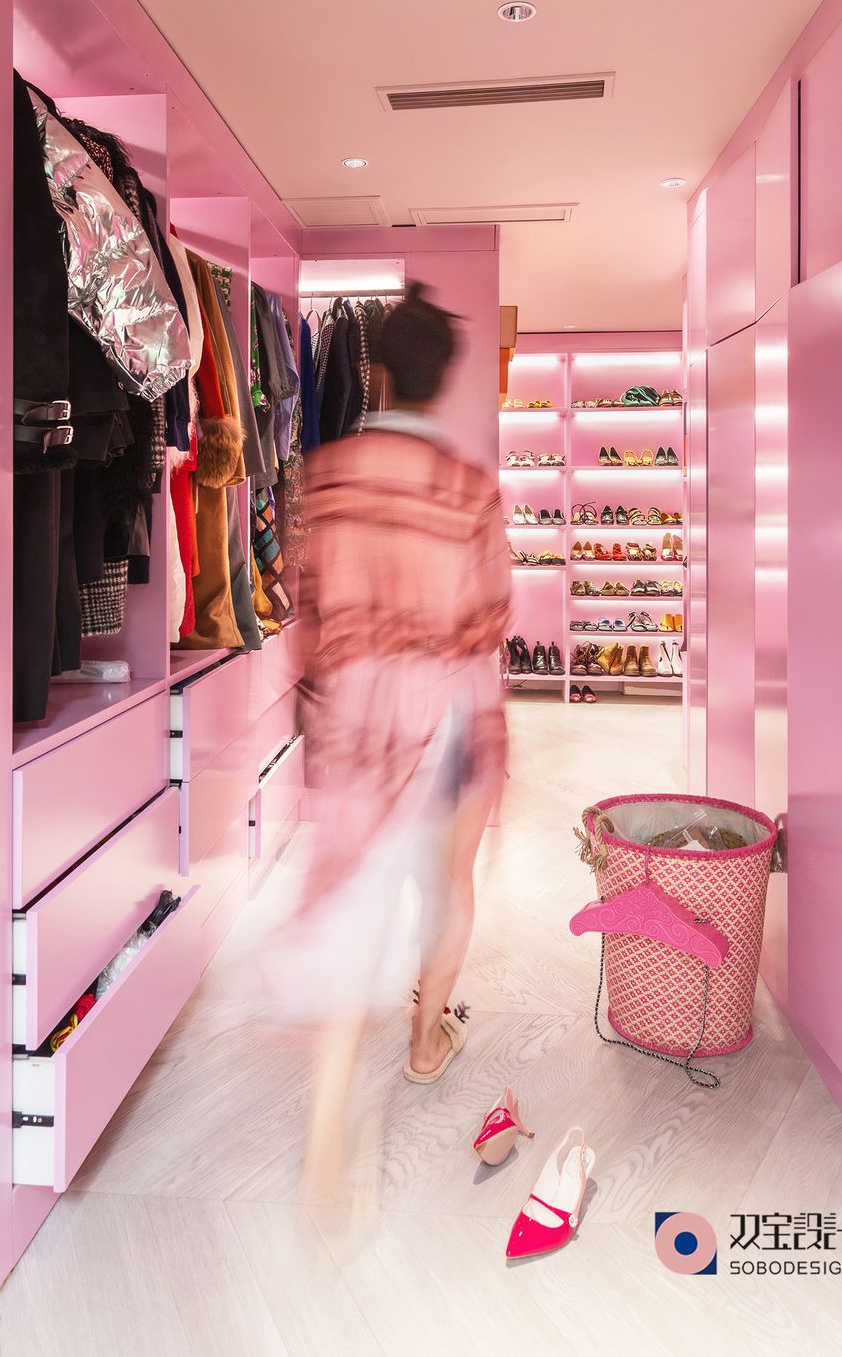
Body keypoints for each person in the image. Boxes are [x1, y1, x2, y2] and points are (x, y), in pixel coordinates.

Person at [293, 282, 511, 1191]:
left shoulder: (329, 476)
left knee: (359, 890)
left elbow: (310, 610)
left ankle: (328, 1127)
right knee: (448, 881)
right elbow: (491, 618)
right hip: (447, 710)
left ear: (376, 370)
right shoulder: (469, 488)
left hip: (360, 713)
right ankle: (427, 1042)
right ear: (444, 378)